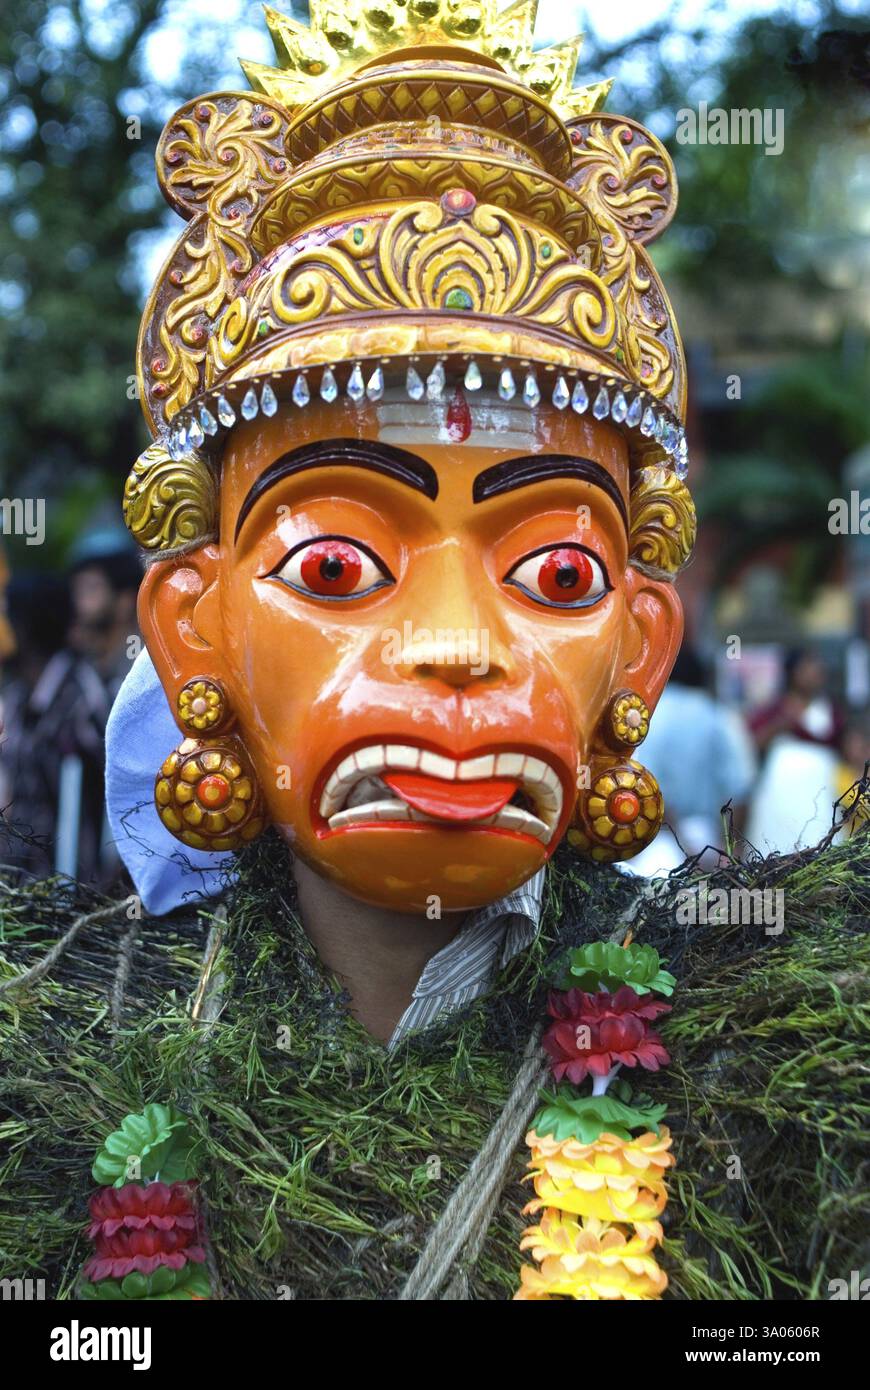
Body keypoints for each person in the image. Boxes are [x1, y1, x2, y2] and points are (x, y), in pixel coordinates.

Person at [3, 5, 856, 1306]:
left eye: (555, 573)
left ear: (639, 650)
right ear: (194, 628)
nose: (457, 645)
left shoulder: (776, 1051)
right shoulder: (57, 1040)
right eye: (336, 566)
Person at [624, 644, 756, 873]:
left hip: (653, 845)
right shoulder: (718, 715)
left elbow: (645, 789)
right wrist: (732, 849)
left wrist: (682, 842)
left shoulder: (646, 717)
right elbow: (740, 788)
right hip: (707, 840)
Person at [747, 647, 845, 853]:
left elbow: (843, 745)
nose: (815, 671)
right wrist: (780, 725)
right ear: (792, 672)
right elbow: (753, 742)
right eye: (807, 666)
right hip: (781, 793)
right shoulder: (775, 709)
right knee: (779, 845)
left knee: (820, 841)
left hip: (822, 789)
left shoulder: (830, 710)